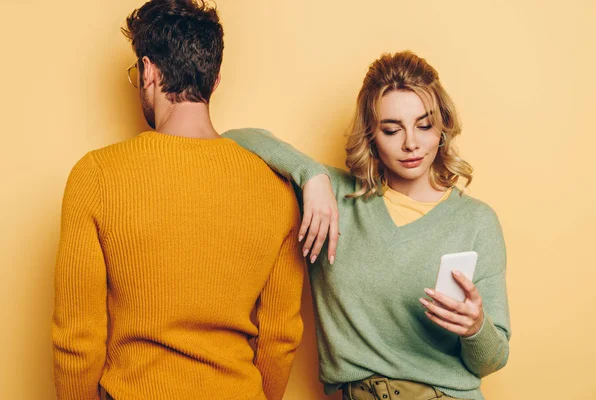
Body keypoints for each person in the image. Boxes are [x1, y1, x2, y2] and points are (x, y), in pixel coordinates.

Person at [52, 1, 305, 399]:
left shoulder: (97, 176)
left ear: (149, 71)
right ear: (215, 80)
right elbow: (280, 336)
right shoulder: (276, 188)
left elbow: (77, 338)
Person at [223, 51, 510, 400]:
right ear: (371, 135)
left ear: (443, 129)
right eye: (392, 129)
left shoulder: (476, 221)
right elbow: (237, 137)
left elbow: (492, 360)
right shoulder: (334, 197)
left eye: (424, 125)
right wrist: (310, 174)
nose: (411, 143)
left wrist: (476, 328)